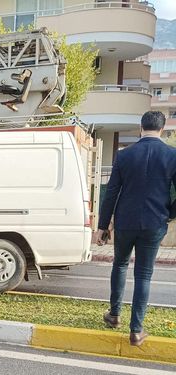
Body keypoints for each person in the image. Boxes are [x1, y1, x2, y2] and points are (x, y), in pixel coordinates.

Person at [97, 111, 176, 347]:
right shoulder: (172, 155)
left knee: (120, 264)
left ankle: (114, 315)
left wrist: (102, 226)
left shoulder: (125, 155)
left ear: (141, 128)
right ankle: (136, 331)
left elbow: (111, 192)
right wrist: (168, 215)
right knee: (144, 274)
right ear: (162, 130)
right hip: (154, 223)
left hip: (125, 221)